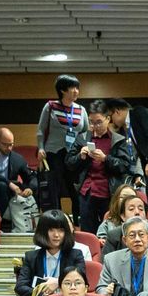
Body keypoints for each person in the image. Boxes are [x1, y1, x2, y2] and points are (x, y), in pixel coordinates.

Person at [37, 76, 88, 214]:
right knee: (54, 188)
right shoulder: (50, 106)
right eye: (73, 88)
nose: (76, 91)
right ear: (62, 90)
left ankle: (78, 221)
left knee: (75, 189)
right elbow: (41, 130)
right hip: (54, 153)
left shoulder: (81, 109)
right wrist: (41, 147)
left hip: (73, 155)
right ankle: (55, 219)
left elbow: (85, 131)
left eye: (77, 88)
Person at [93, 186, 148, 253]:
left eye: (131, 197)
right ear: (116, 199)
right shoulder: (107, 224)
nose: (127, 200)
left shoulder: (147, 225)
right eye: (124, 197)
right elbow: (101, 242)